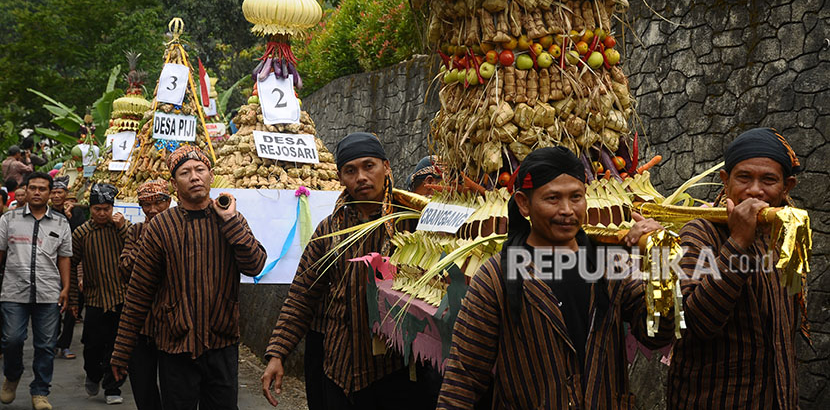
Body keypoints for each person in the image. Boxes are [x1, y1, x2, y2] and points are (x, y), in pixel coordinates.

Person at [436, 147, 671, 409]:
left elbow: (660, 333)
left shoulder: (611, 265)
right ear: (524, 203)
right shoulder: (495, 278)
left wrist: (660, 259)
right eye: (552, 199)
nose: (567, 210)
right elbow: (464, 377)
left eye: (576, 197)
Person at [261, 132, 429, 409]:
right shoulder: (329, 230)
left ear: (386, 167)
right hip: (338, 363)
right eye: (350, 171)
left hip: (395, 368)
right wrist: (278, 353)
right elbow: (302, 294)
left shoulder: (411, 224)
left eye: (369, 166)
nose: (361, 177)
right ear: (340, 178)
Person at [110, 145, 266, 409]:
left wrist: (231, 223)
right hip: (175, 345)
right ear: (174, 183)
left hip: (221, 342)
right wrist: (122, 350)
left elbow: (255, 265)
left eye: (200, 170)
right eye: (185, 172)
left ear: (210, 175)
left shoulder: (230, 219)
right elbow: (139, 292)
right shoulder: (161, 227)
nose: (194, 177)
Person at [667, 128, 803, 409]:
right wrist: (738, 241)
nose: (755, 190)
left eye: (768, 180)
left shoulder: (783, 241)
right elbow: (695, 323)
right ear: (725, 181)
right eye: (744, 178)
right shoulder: (699, 233)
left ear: (787, 186)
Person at [0, 172, 72, 410]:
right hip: (13, 290)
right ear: (27, 190)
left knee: (46, 345)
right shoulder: (8, 219)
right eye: (33, 188)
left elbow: (64, 258)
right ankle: (12, 375)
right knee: (12, 340)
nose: (37, 192)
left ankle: (40, 392)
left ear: (50, 193)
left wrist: (66, 287)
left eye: (43, 188)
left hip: (49, 292)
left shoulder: (61, 223)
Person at [69, 183, 130, 405]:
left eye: (107, 208)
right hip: (95, 299)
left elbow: (135, 248)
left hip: (121, 297)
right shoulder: (82, 233)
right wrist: (74, 299)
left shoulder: (123, 228)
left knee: (118, 347)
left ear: (113, 208)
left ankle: (112, 387)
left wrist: (122, 227)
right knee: (93, 346)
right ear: (90, 210)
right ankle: (93, 374)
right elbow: (72, 264)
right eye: (98, 209)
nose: (103, 213)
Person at [117, 179, 171, 410]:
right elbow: (126, 269)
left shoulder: (178, 228)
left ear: (168, 202)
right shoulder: (137, 230)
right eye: (145, 205)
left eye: (158, 203)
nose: (152, 210)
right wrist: (147, 237)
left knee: (174, 386)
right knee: (143, 383)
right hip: (142, 321)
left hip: (171, 322)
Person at [50, 176, 86, 360]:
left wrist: (69, 216)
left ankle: (64, 344)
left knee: (72, 306)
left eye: (60, 192)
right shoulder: (46, 213)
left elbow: (77, 238)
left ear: (66, 194)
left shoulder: (76, 212)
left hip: (71, 265)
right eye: (54, 192)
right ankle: (52, 342)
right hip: (50, 266)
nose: (56, 196)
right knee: (52, 306)